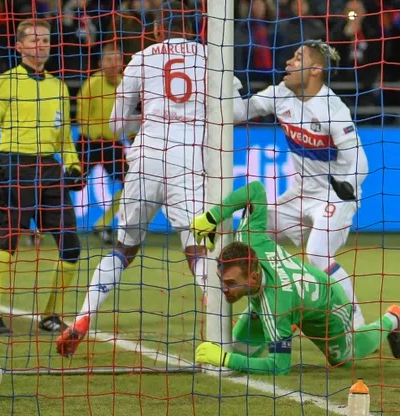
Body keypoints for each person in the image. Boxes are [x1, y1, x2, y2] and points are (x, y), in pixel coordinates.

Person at [55, 0, 249, 357]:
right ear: (196, 27)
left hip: (146, 158)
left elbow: (117, 124)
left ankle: (83, 317)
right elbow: (235, 113)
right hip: (188, 161)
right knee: (198, 249)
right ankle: (216, 324)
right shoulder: (212, 57)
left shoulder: (142, 58)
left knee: (123, 248)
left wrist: (148, 118)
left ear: (158, 28)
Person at [189, 180, 400, 374]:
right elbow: (255, 190)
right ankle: (288, 324)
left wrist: (225, 359)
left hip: (327, 305)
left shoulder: (275, 306)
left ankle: (393, 319)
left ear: (254, 278)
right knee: (238, 354)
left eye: (230, 283)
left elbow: (279, 367)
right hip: (290, 299)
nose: (223, 289)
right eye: (222, 280)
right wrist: (212, 217)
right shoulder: (249, 240)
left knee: (343, 359)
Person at [235, 40, 369, 329]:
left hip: (334, 197)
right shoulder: (281, 93)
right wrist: (229, 85)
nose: (288, 63)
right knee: (247, 234)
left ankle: (356, 325)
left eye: (298, 58)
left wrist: (347, 186)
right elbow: (236, 113)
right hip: (299, 195)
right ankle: (270, 306)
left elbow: (360, 162)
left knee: (318, 254)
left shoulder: (333, 109)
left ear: (315, 70)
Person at [0, 18, 86, 335]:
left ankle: (50, 315)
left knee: (71, 246)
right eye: (34, 39)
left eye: (46, 39)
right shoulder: (4, 83)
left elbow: (64, 136)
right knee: (8, 239)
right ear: (19, 46)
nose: (41, 44)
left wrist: (73, 164)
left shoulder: (59, 87)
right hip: (16, 165)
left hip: (50, 169)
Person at [75, 43, 132, 244]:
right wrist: (95, 134)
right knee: (69, 183)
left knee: (131, 185)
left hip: (113, 144)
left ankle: (102, 225)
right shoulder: (92, 84)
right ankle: (40, 227)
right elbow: (81, 116)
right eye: (108, 59)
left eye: (117, 59)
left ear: (122, 63)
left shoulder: (127, 85)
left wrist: (131, 135)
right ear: (101, 63)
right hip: (89, 143)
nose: (113, 63)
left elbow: (132, 114)